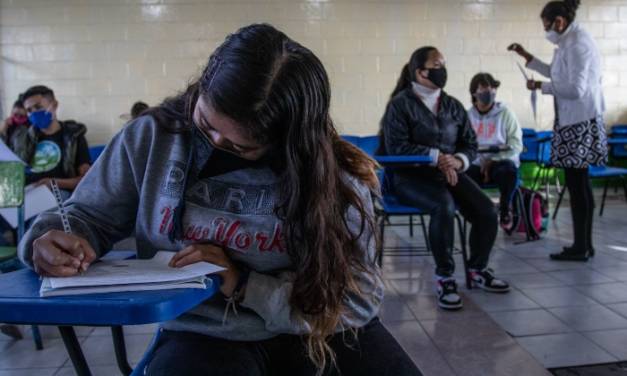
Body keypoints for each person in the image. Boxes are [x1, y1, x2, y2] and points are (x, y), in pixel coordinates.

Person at [18, 24, 422, 376]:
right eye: (206, 123)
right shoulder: (152, 137)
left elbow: (358, 298)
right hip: (204, 333)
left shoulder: (335, 175)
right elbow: (88, 215)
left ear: (286, 140)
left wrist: (243, 283)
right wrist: (51, 237)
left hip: (316, 327)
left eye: (240, 146)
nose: (214, 144)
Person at [377, 47, 510, 311]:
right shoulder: (400, 105)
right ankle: (445, 277)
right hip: (410, 178)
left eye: (444, 64)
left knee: (486, 210)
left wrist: (458, 159)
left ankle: (478, 269)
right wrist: (436, 156)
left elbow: (470, 143)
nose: (443, 69)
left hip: (449, 173)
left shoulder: (452, 105)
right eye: (437, 65)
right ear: (421, 71)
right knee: (444, 206)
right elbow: (396, 148)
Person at [509, 0, 607, 262]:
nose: (547, 31)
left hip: (579, 122)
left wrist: (543, 87)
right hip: (574, 120)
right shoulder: (569, 41)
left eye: (547, 26)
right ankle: (584, 245)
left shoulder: (578, 45)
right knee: (579, 185)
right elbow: (557, 73)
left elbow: (576, 89)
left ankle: (580, 247)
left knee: (577, 186)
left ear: (559, 22)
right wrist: (528, 57)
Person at [11, 85, 91, 198]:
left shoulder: (74, 136)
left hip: (60, 194)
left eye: (38, 107)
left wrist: (53, 182)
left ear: (54, 105)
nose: (33, 113)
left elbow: (87, 180)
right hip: (26, 194)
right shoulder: (22, 138)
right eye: (29, 110)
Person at [466, 73, 523, 230]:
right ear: (474, 93)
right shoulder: (467, 116)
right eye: (484, 90)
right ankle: (478, 214)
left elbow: (516, 144)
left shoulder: (505, 113)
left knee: (508, 172)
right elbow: (462, 144)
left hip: (501, 160)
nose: (489, 93)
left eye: (492, 90)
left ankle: (505, 209)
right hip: (476, 162)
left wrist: (494, 160)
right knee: (461, 176)